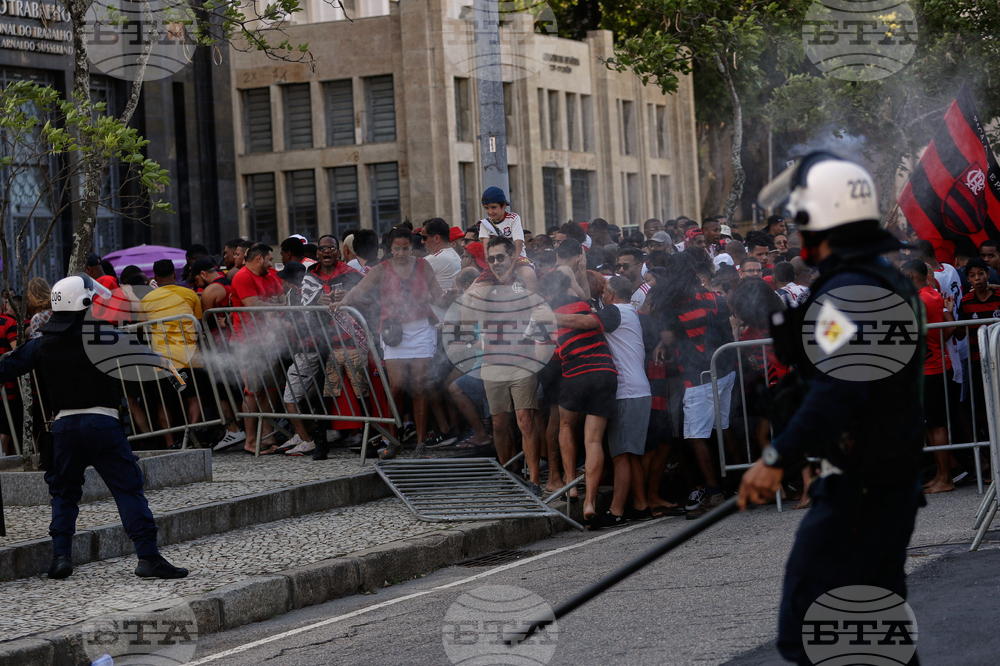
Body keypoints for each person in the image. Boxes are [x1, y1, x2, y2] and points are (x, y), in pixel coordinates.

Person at [739, 153, 926, 665]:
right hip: (883, 481)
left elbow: (840, 390)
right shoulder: (879, 281)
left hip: (863, 490)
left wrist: (776, 459)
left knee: (810, 630)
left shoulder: (853, 290)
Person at [0, 275, 187, 579]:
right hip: (103, 425)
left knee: (63, 494)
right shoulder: (104, 336)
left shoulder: (41, 344)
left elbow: (7, 366)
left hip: (63, 429)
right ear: (84, 302)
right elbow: (148, 358)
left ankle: (61, 557)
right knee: (127, 490)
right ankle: (148, 557)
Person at [337, 226, 454, 458]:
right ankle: (393, 440)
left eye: (406, 249)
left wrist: (449, 296)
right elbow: (358, 291)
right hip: (393, 332)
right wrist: (340, 303)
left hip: (421, 329)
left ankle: (420, 443)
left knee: (420, 386)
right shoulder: (381, 269)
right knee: (396, 388)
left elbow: (438, 295)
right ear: (390, 249)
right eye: (397, 249)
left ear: (412, 248)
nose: (401, 253)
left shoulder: (423, 265)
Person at [555, 276, 653, 526]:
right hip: (636, 390)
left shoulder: (616, 311)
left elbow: (585, 321)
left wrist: (550, 317)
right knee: (630, 455)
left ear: (610, 294)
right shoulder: (628, 311)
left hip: (628, 391)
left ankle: (616, 512)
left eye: (604, 293)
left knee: (621, 455)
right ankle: (641, 506)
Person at [649, 253, 736, 519]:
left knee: (696, 435)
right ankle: (737, 485)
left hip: (698, 375)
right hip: (725, 369)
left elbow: (669, 338)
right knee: (722, 429)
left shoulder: (671, 304)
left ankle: (714, 494)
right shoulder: (714, 297)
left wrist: (664, 342)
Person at [463, 236, 545, 492]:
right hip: (493, 361)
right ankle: (508, 471)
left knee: (525, 421)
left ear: (511, 256)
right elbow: (466, 311)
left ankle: (533, 480)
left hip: (522, 361)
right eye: (492, 258)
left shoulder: (524, 276)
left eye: (501, 257)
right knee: (498, 423)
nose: (496, 262)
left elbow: (540, 310)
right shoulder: (483, 282)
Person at [541, 269, 618, 524]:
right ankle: (590, 502)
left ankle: (572, 486)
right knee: (593, 440)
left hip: (575, 372)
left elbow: (546, 355)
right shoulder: (584, 304)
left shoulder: (547, 317)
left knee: (565, 425)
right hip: (604, 370)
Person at [902, 259, 956, 494]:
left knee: (936, 425)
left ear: (912, 277)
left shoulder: (919, 300)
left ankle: (945, 477)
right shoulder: (933, 293)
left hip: (930, 369)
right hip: (934, 365)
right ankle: (940, 474)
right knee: (931, 425)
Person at [231, 242, 286, 454]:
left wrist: (279, 307)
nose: (272, 263)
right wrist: (279, 307)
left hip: (269, 339)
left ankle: (267, 438)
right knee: (253, 392)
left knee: (269, 391)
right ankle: (250, 441)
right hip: (248, 340)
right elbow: (252, 304)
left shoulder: (270, 276)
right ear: (259, 258)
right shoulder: (243, 276)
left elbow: (282, 299)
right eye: (270, 259)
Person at [477, 187, 538, 292]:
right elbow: (487, 251)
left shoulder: (513, 219)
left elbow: (518, 245)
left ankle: (536, 305)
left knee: (529, 275)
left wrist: (510, 270)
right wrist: (494, 272)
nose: (490, 211)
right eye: (486, 208)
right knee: (476, 291)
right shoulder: (484, 224)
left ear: (504, 205)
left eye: (493, 207)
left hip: (517, 259)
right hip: (495, 262)